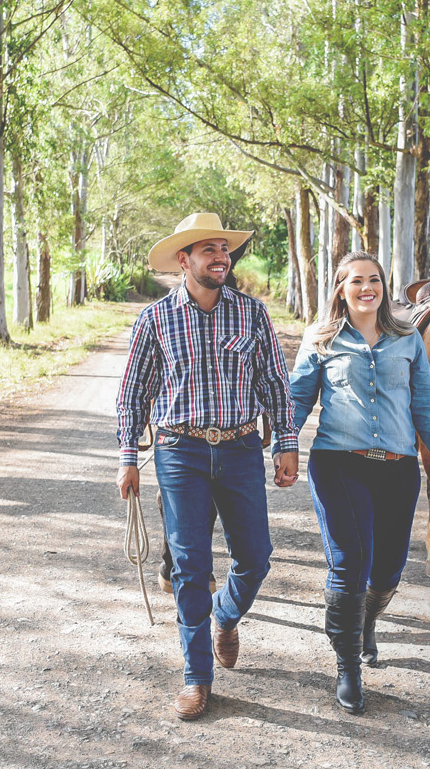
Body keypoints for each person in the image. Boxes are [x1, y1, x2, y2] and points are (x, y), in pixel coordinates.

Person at [116, 212, 299, 721]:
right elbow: (132, 395)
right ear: (184, 260)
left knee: (256, 557)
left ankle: (226, 615)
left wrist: (286, 444)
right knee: (190, 566)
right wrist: (128, 458)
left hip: (241, 448)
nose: (221, 258)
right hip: (180, 451)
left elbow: (274, 384)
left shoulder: (253, 314)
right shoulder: (155, 320)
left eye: (225, 249)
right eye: (209, 250)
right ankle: (197, 676)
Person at [287, 250, 430, 715]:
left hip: (398, 468)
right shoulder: (321, 338)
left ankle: (365, 623)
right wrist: (284, 447)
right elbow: (298, 399)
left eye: (375, 280)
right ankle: (348, 666)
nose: (367, 288)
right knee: (350, 563)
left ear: (384, 288)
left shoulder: (407, 339)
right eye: (357, 281)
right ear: (341, 289)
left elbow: (426, 403)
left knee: (387, 569)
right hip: (338, 463)